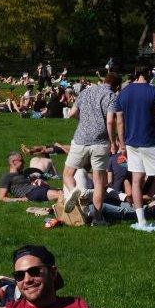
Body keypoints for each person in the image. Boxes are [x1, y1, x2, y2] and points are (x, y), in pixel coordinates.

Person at [111, 66, 155, 229]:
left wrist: (121, 144)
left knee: (136, 180)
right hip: (151, 141)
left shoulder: (123, 93)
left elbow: (120, 122)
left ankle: (141, 220)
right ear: (148, 74)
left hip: (131, 143)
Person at [63, 72, 119, 225]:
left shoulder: (85, 91)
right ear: (116, 86)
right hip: (101, 143)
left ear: (103, 81)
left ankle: (74, 191)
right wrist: (113, 141)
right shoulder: (111, 96)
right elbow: (109, 122)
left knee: (68, 174)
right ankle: (98, 218)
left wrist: (84, 120)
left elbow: (72, 113)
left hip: (81, 139)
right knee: (99, 182)